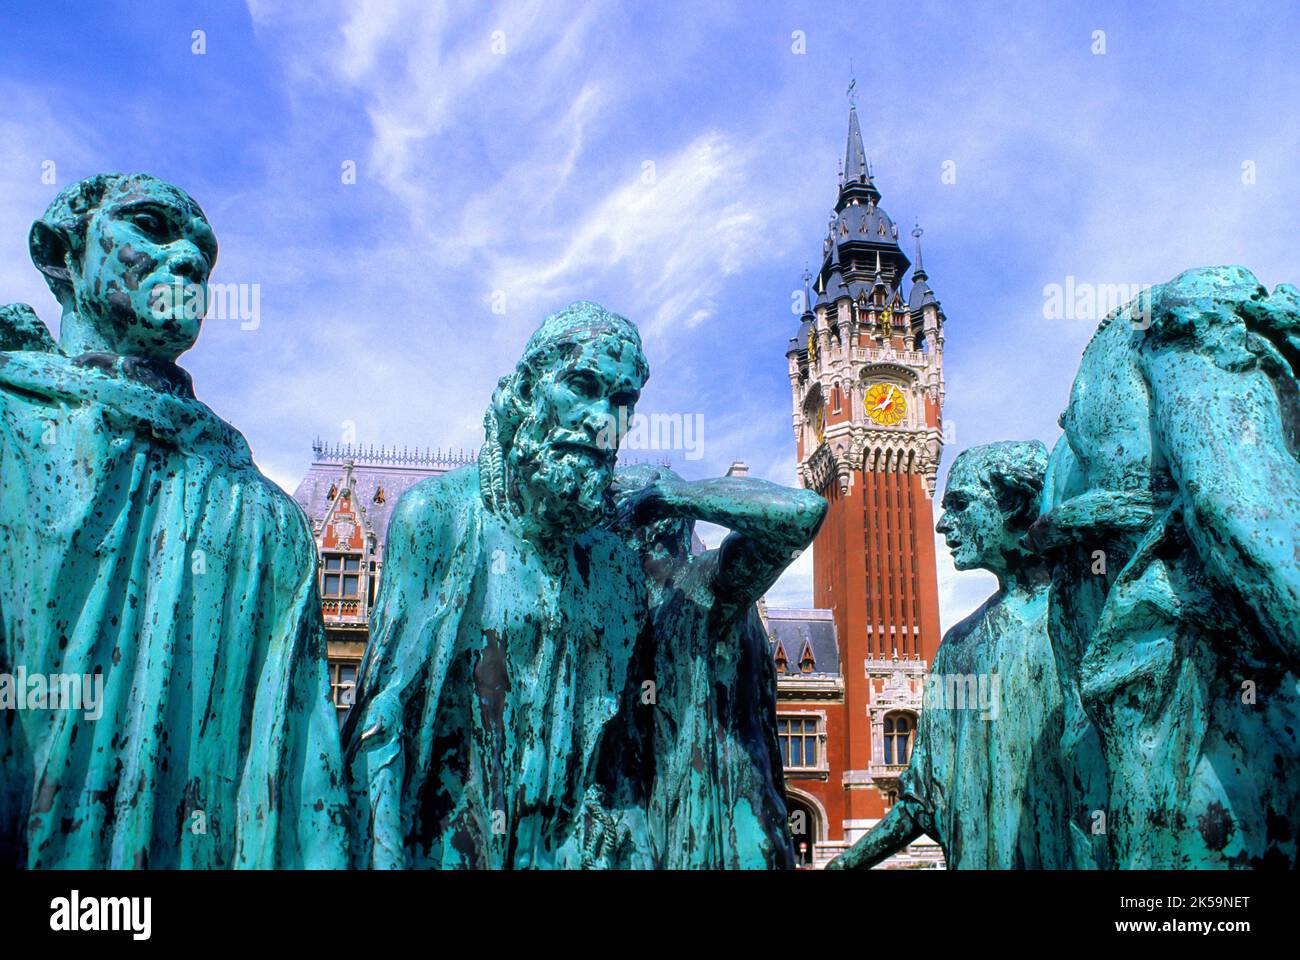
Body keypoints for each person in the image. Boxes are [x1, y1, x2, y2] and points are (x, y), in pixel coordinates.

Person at [0, 173, 348, 868]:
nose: (188, 259)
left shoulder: (267, 520)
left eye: (203, 253)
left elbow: (308, 781)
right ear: (60, 251)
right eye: (151, 227)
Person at [342, 301, 656, 869]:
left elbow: (627, 761)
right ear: (526, 393)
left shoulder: (615, 567)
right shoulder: (438, 518)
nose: (601, 419)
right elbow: (381, 725)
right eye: (581, 386)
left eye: (622, 402)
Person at [1029, 266, 1300, 868]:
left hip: (1159, 771)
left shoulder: (1114, 376)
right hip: (1202, 771)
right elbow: (1245, 516)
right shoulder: (1169, 331)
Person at [829, 441, 1099, 869]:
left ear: (1014, 503)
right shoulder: (958, 646)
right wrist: (844, 864)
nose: (941, 525)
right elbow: (923, 796)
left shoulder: (1094, 616)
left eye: (959, 504)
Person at [610, 464, 825, 868]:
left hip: (725, 838)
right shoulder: (627, 614)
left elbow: (801, 512)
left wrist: (670, 497)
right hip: (660, 839)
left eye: (613, 512)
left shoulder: (706, 585)